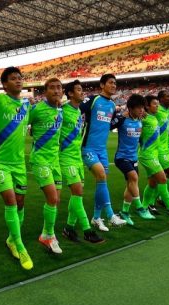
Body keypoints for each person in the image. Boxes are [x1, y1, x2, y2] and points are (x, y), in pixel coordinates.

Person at [0, 66, 33, 269]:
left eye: (20, 78)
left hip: (19, 163)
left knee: (20, 202)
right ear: (4, 84)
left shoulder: (26, 105)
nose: (18, 81)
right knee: (11, 201)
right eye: (13, 79)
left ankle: (11, 239)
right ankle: (20, 246)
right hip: (0, 162)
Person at [80, 74, 126, 232]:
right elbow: (76, 109)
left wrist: (124, 117)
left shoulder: (112, 105)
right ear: (102, 85)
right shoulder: (93, 100)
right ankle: (111, 215)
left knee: (102, 182)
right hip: (88, 148)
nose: (114, 86)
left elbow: (113, 123)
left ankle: (96, 218)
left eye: (115, 83)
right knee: (101, 176)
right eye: (110, 83)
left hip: (102, 150)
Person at [60, 80, 104, 243]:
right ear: (70, 93)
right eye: (78, 90)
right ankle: (87, 230)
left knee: (77, 194)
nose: (82, 92)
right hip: (65, 158)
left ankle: (69, 228)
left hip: (77, 158)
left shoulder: (78, 112)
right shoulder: (63, 110)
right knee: (77, 191)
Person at [29, 78, 64, 254]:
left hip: (55, 161)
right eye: (52, 88)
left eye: (59, 88)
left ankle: (46, 233)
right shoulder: (36, 109)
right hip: (40, 159)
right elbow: (20, 123)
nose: (56, 91)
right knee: (52, 198)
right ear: (45, 92)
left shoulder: (61, 111)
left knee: (56, 200)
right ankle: (49, 235)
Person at [111, 94, 155, 225]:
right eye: (138, 108)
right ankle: (140, 208)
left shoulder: (140, 120)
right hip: (121, 157)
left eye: (142, 108)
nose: (141, 110)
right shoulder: (122, 119)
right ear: (130, 108)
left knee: (131, 185)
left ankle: (124, 212)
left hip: (133, 158)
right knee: (134, 178)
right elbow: (107, 126)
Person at [139, 95, 169, 218]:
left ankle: (145, 207)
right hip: (148, 154)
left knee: (153, 182)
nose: (157, 106)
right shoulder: (144, 119)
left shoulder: (154, 118)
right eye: (155, 104)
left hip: (156, 153)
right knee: (163, 178)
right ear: (147, 106)